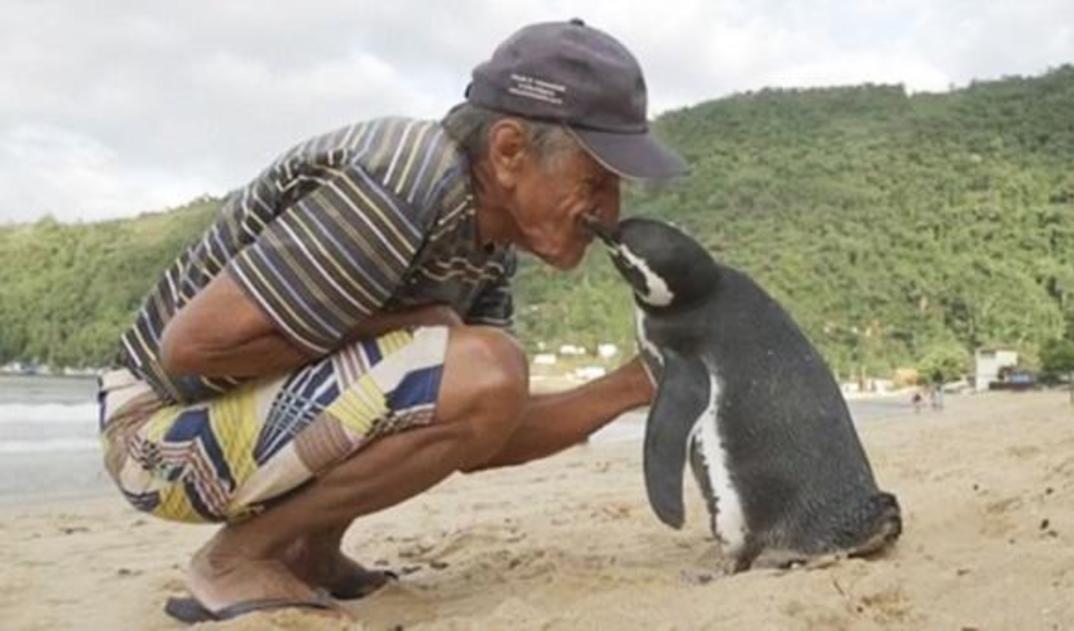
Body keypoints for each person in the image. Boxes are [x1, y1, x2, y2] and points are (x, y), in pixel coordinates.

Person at [96, 19, 686, 621]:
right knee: (477, 359)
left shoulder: (485, 245)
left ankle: (309, 551)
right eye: (596, 180)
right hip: (154, 435)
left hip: (225, 425)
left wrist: (635, 383)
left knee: (480, 366)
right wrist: (410, 326)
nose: (610, 212)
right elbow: (192, 349)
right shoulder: (402, 177)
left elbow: (483, 427)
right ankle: (239, 557)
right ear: (509, 151)